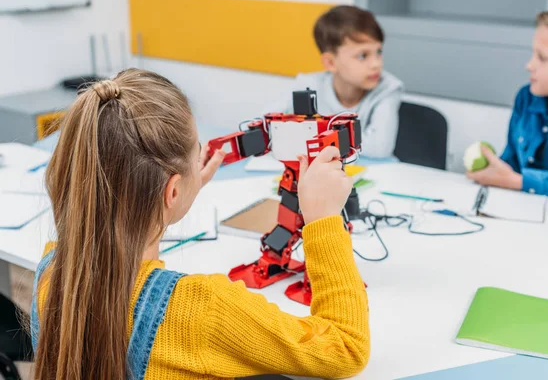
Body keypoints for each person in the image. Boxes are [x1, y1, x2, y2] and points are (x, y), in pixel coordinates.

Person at [31, 69, 369, 379]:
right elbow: (344, 348)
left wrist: (177, 191)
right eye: (197, 152)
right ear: (172, 190)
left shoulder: (51, 272)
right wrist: (323, 220)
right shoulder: (203, 307)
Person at [467, 5, 548, 201]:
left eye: (543, 58)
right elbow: (511, 162)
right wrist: (493, 171)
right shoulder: (526, 98)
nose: (529, 65)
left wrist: (518, 182)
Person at [270, 5, 404, 158]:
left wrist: (314, 136)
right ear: (330, 63)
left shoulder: (388, 88)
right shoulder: (308, 86)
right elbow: (269, 128)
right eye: (362, 56)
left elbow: (379, 148)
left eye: (378, 52)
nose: (376, 64)